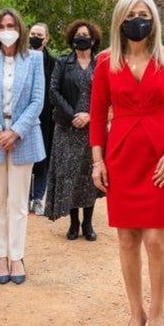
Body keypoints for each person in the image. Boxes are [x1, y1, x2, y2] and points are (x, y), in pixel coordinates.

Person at [91, 0, 164, 326]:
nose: (137, 19)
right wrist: (97, 161)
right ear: (120, 20)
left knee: (155, 241)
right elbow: (98, 114)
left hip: (161, 155)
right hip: (121, 156)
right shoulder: (105, 62)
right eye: (131, 13)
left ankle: (159, 315)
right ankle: (136, 315)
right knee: (127, 240)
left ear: (154, 21)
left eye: (143, 13)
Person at [0, 9, 46, 285]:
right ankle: (0, 255)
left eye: (11, 25)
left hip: (22, 136)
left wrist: (15, 131)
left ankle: (17, 256)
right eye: (1, 25)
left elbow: (38, 100)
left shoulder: (34, 59)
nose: (6, 29)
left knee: (18, 202)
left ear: (19, 28)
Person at [45, 20, 102, 239]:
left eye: (85, 34)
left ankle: (88, 224)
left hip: (91, 127)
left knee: (88, 176)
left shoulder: (100, 65)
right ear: (72, 38)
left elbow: (107, 96)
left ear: (93, 39)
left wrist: (89, 116)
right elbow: (53, 91)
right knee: (69, 175)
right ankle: (73, 223)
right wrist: (73, 116)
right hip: (67, 127)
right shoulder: (63, 62)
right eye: (78, 34)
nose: (81, 37)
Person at [28, 22, 55, 216]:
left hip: (47, 118)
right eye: (33, 33)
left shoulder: (54, 63)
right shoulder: (20, 58)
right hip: (24, 117)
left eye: (39, 34)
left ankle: (38, 198)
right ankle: (23, 198)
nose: (36, 37)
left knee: (42, 159)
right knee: (24, 160)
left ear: (46, 38)